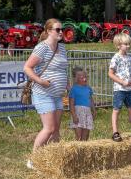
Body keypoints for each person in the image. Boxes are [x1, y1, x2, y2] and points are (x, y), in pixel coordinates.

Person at [23, 18, 68, 169]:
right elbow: (27, 68)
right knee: (48, 128)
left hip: (57, 94)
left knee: (56, 129)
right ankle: (33, 159)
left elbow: (62, 69)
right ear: (49, 31)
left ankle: (53, 158)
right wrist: (40, 81)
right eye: (57, 30)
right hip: (43, 93)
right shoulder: (42, 48)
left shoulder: (62, 48)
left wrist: (67, 84)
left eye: (61, 29)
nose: (61, 32)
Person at [108, 33, 131, 142]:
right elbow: (110, 74)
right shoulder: (116, 58)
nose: (128, 46)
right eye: (126, 44)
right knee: (116, 110)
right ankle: (115, 132)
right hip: (119, 90)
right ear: (118, 45)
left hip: (129, 89)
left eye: (129, 44)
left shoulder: (130, 57)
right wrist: (121, 82)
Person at [69, 66, 96, 141]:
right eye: (82, 77)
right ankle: (78, 150)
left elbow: (90, 99)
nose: (85, 79)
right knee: (79, 136)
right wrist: (74, 115)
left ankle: (84, 149)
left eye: (85, 77)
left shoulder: (88, 88)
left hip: (87, 112)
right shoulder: (74, 89)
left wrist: (93, 110)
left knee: (86, 135)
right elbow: (71, 103)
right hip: (78, 112)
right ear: (76, 79)